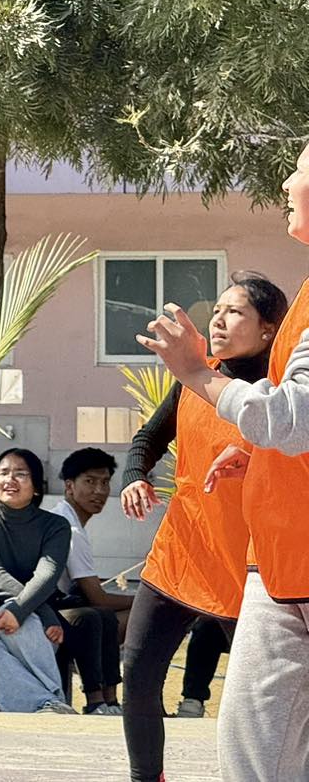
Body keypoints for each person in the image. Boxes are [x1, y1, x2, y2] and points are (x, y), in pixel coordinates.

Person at [139, 168, 309, 782]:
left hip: (273, 564)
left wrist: (195, 372)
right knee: (254, 755)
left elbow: (289, 417)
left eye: (301, 169)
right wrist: (265, 456)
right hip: (275, 566)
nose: (288, 181)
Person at [119, 272, 285, 781]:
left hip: (251, 569)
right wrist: (135, 477)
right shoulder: (196, 375)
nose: (218, 317)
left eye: (234, 311)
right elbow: (149, 437)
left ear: (267, 330)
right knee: (139, 677)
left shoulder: (279, 397)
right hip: (180, 553)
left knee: (265, 706)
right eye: (218, 308)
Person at [0, 449, 75, 715]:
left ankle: (50, 705)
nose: (10, 479)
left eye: (21, 474)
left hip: (30, 621)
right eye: (3, 472)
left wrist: (20, 610)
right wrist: (43, 613)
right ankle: (52, 702)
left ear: (36, 486)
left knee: (20, 624)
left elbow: (47, 574)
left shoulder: (56, 526)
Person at [50, 448, 131, 715]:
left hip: (67, 609)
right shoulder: (68, 527)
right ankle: (104, 700)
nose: (99, 490)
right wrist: (148, 600)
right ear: (69, 486)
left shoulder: (69, 519)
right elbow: (98, 598)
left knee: (108, 616)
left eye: (105, 482)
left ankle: (109, 700)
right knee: (144, 615)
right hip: (53, 614)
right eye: (90, 481)